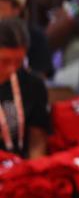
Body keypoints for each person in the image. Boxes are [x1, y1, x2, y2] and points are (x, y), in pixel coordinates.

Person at [0, 18, 49, 159]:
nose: (12, 69)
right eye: (5, 61)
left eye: (18, 61)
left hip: (18, 168)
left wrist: (33, 174)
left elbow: (37, 142)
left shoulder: (33, 85)